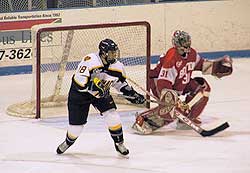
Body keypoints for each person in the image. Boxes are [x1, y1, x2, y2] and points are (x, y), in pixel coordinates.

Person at [132, 30, 233, 134]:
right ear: (176, 44)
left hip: (180, 83)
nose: (186, 45)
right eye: (183, 42)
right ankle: (143, 121)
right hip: (159, 84)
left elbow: (200, 64)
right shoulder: (171, 57)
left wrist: (217, 67)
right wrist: (171, 99)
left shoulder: (192, 53)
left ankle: (186, 119)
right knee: (170, 110)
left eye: (187, 42)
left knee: (203, 88)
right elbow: (164, 82)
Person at [56, 38, 145, 156]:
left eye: (115, 52)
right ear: (103, 53)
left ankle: (119, 144)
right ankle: (68, 142)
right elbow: (79, 83)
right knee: (76, 128)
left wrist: (132, 94)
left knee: (112, 116)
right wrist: (94, 87)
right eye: (111, 52)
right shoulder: (90, 60)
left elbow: (120, 84)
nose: (114, 55)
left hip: (102, 93)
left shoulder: (117, 66)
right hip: (80, 95)